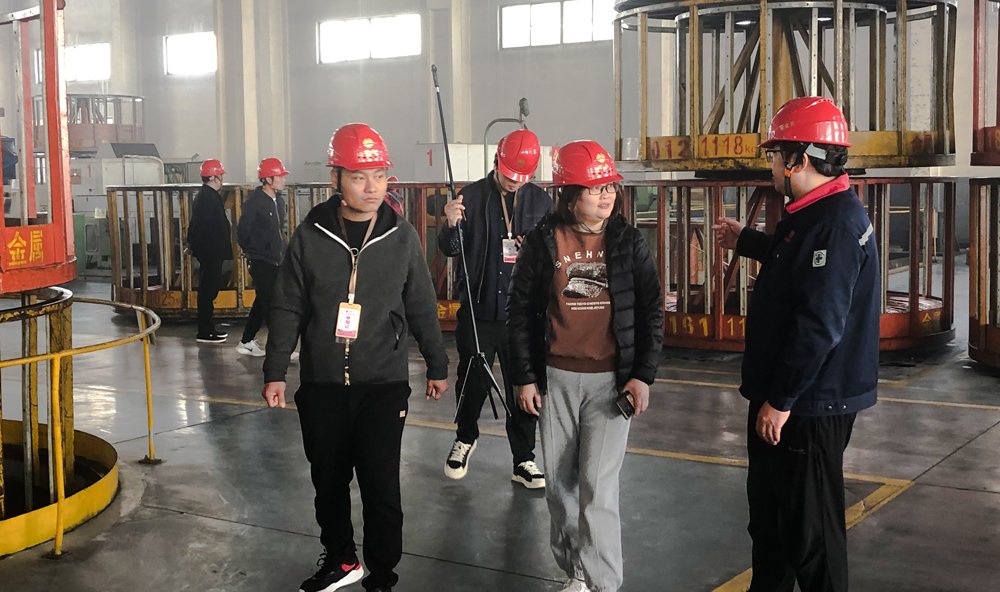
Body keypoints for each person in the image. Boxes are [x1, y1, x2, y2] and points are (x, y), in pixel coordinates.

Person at [261, 123, 449, 592]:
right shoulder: (310, 235)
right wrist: (275, 370)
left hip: (383, 384)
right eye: (360, 177)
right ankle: (342, 559)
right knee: (328, 482)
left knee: (381, 487)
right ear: (336, 179)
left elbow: (421, 304)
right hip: (322, 383)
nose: (372, 188)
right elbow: (287, 305)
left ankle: (381, 576)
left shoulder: (401, 237)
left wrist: (437, 363)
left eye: (380, 176)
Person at [713, 97, 879, 592]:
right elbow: (800, 266)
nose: (770, 166)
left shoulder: (835, 224)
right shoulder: (815, 213)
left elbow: (819, 324)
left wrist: (782, 400)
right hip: (790, 397)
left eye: (773, 156)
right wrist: (750, 241)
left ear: (798, 160)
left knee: (811, 534)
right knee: (772, 522)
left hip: (809, 403)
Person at [507, 139, 663, 592]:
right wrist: (525, 377)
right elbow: (520, 311)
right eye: (595, 188)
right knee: (559, 488)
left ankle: (604, 583)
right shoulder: (543, 242)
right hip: (555, 380)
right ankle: (575, 572)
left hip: (610, 384)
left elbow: (651, 311)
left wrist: (642, 375)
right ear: (570, 194)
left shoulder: (628, 241)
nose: (606, 195)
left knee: (598, 490)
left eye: (610, 186)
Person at [438, 128, 552, 488]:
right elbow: (450, 249)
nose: (514, 182)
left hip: (523, 314)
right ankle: (465, 438)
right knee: (472, 380)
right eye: (509, 174)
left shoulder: (541, 202)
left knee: (524, 385)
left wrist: (534, 249)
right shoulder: (469, 197)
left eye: (522, 177)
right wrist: (450, 223)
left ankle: (524, 459)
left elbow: (553, 253)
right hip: (479, 309)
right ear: (495, 163)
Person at [235, 157, 289, 356]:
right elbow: (242, 230)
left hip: (276, 259)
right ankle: (280, 349)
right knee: (271, 303)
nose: (283, 180)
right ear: (268, 179)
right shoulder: (255, 203)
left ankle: (246, 341)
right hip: (261, 260)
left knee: (262, 302)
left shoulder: (279, 201)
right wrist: (252, 250)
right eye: (280, 176)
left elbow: (278, 231)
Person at [187, 158, 231, 343]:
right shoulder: (207, 198)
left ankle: (208, 327)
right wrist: (196, 246)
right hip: (210, 251)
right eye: (220, 175)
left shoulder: (207, 196)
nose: (222, 179)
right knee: (207, 291)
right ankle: (205, 331)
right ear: (213, 177)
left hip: (211, 250)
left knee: (209, 290)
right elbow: (200, 226)